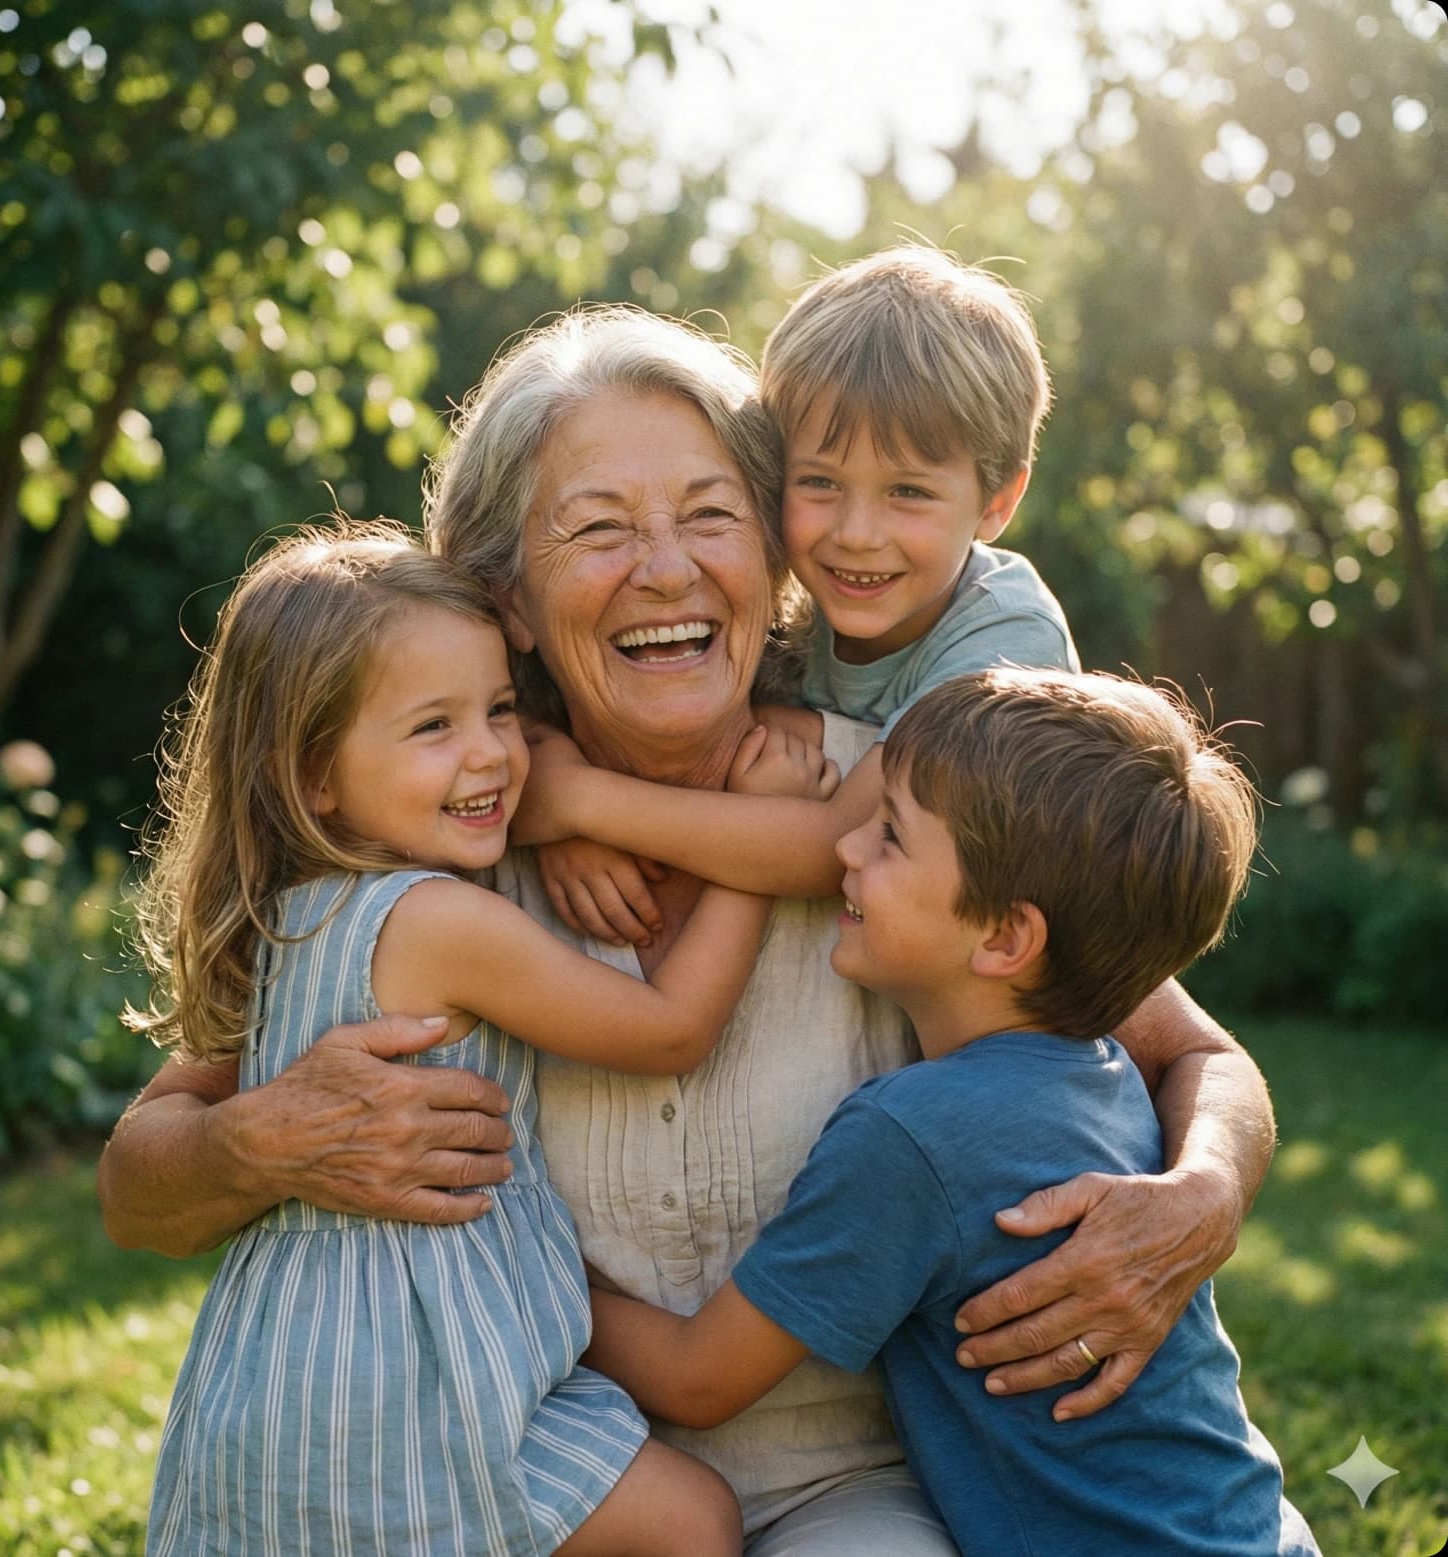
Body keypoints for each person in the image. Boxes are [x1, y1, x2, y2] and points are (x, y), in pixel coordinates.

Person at [99, 307, 1278, 1555]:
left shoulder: (913, 819)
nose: (666, 569)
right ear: (505, 591)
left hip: (853, 1478)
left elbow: (1197, 1058)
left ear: (773, 554)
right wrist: (258, 1143)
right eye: (600, 528)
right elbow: (140, 1183)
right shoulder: (442, 834)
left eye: (711, 516)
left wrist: (1200, 1195)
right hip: (526, 1467)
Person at [129, 522, 824, 1554]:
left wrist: (581, 819)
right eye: (433, 728)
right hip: (405, 1389)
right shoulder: (435, 922)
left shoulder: (295, 912)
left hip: (283, 1370)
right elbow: (669, 1027)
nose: (493, 753)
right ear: (315, 775)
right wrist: (747, 846)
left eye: (500, 710)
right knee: (692, 1522)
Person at [583, 667, 1320, 1556]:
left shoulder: (912, 1136)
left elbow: (696, 1380)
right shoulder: (1109, 1074)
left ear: (1006, 937)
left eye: (889, 835)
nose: (843, 848)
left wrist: (525, 1280)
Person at [512, 245, 1077, 938]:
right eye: (819, 482)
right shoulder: (795, 605)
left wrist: (573, 802)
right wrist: (550, 769)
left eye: (908, 492)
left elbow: (837, 843)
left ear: (997, 500)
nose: (856, 533)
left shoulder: (1006, 647)